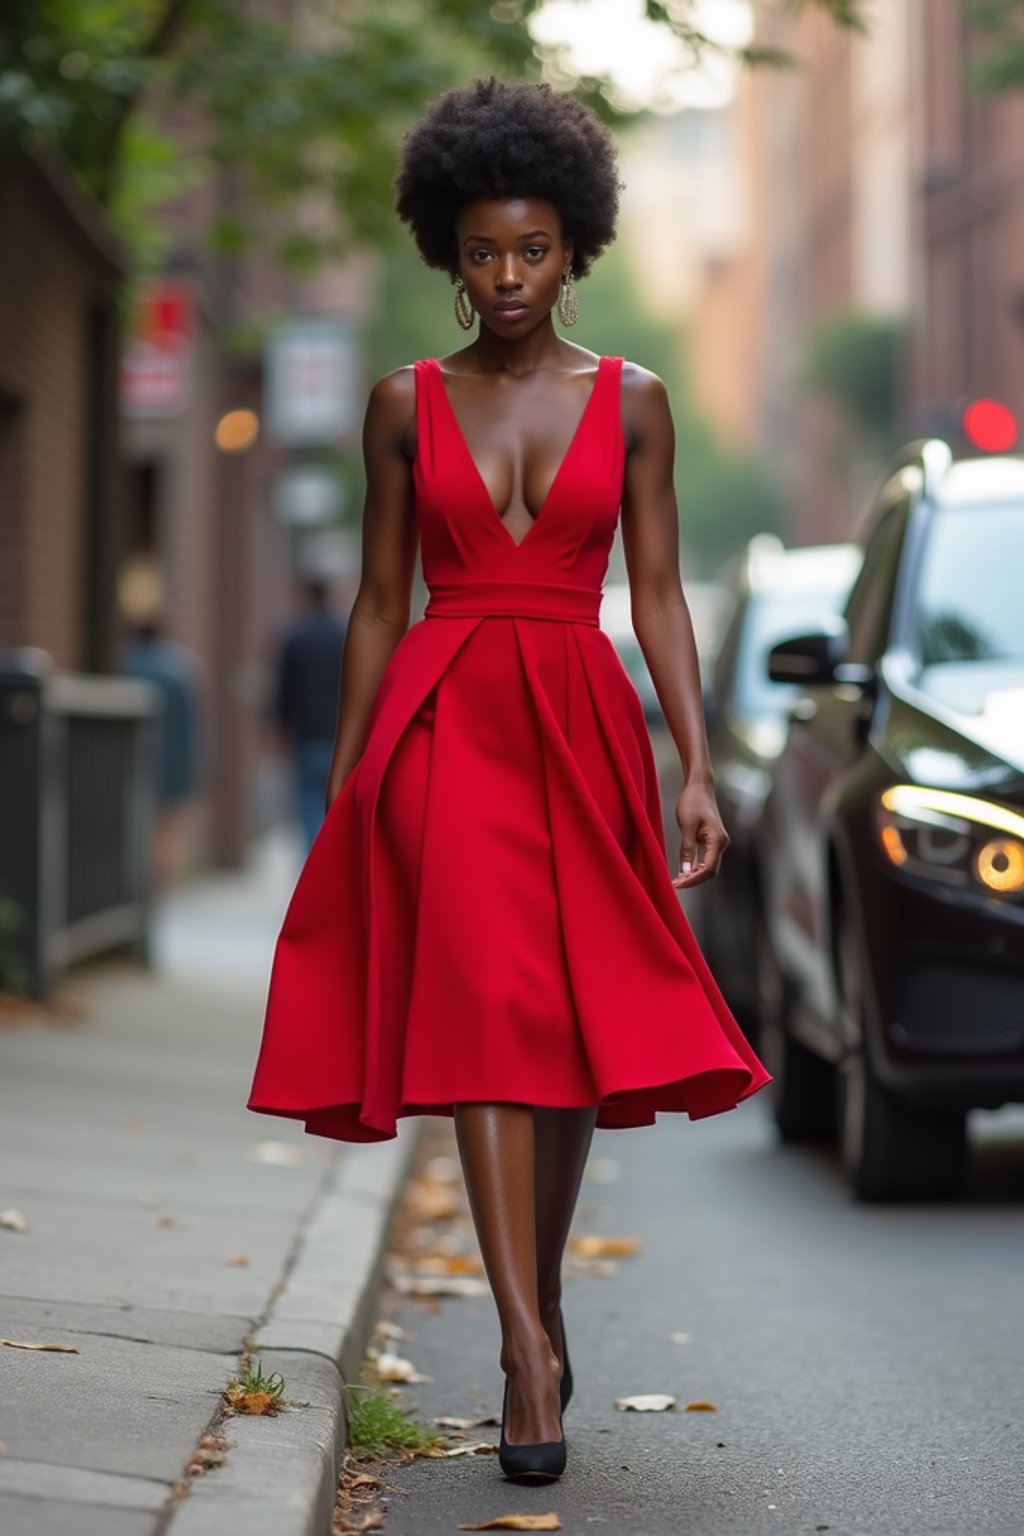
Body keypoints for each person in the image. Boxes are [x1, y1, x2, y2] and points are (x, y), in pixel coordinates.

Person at [247, 76, 771, 1483]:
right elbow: (374, 602)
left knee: (566, 1050)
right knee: (483, 1011)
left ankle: (536, 1299)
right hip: (444, 725)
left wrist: (696, 769)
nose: (506, 278)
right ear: (446, 248)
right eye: (481, 251)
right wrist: (354, 771)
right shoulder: (403, 405)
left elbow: (657, 599)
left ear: (576, 244)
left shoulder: (640, 403)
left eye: (531, 249)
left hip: (586, 726)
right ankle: (527, 1354)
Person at [272, 573, 349, 854]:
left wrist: (281, 734)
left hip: (306, 737)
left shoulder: (295, 638)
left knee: (308, 815)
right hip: (342, 738)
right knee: (339, 811)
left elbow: (284, 693)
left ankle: (313, 871)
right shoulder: (345, 634)